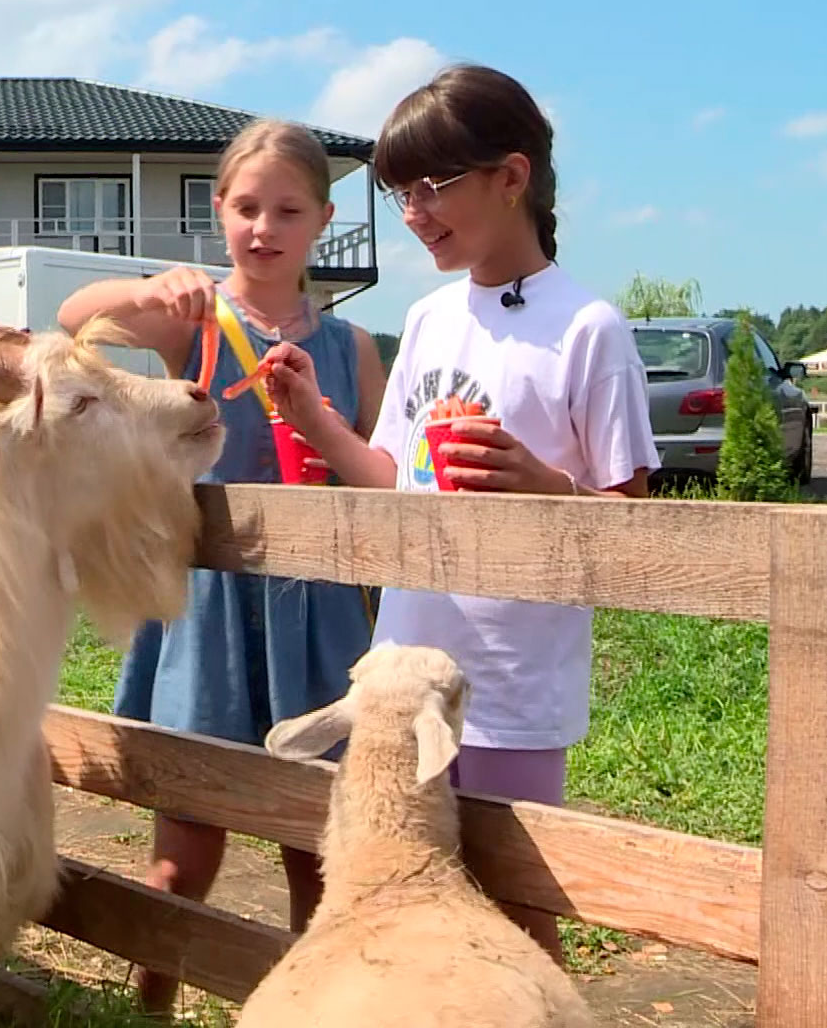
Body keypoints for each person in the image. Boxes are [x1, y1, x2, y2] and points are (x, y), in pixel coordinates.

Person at [256, 64, 660, 960]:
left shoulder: (589, 328)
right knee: (393, 895)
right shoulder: (432, 319)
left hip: (512, 685)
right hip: (403, 676)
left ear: (511, 177)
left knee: (517, 918)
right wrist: (315, 419)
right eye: (400, 192)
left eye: (432, 186)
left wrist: (543, 486)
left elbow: (635, 526)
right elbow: (396, 480)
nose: (413, 213)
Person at [56, 117, 386, 1017]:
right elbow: (74, 316)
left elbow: (376, 465)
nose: (263, 229)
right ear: (218, 211)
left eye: (287, 210)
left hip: (320, 618)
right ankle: (150, 1005)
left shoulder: (353, 349)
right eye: (246, 207)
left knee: (317, 854)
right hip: (205, 612)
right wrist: (149, 283)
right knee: (182, 855)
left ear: (321, 220)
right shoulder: (195, 319)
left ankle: (314, 1007)